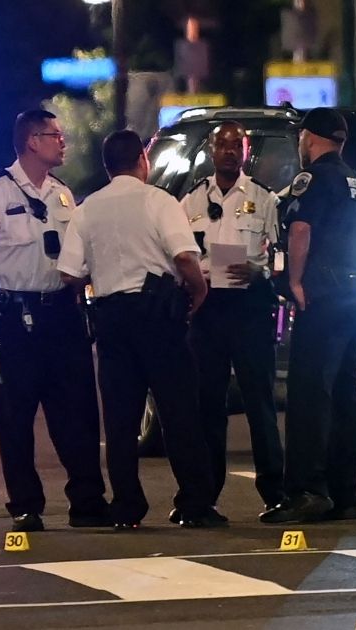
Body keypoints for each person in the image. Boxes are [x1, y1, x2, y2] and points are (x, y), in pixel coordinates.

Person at [58, 129, 223, 530]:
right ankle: (194, 504)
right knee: (180, 412)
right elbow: (185, 256)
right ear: (143, 161)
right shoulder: (159, 201)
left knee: (120, 419)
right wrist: (198, 292)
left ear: (107, 166)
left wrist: (101, 280)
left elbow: (68, 273)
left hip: (112, 319)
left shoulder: (87, 209)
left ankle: (127, 506)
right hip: (158, 319)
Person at [0, 109, 109, 533]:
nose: (62, 142)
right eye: (55, 135)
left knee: (77, 412)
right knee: (16, 416)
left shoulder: (63, 195)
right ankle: (26, 505)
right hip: (14, 315)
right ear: (32, 140)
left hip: (62, 312)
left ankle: (87, 501)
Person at [260, 107, 356, 524]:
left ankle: (306, 491)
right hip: (353, 293)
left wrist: (294, 281)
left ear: (309, 138)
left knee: (309, 395)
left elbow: (301, 228)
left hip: (323, 295)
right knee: (346, 398)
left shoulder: (315, 178)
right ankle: (346, 495)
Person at [179, 120, 284, 519]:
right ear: (210, 149)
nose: (227, 151)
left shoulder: (264, 198)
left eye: (234, 145)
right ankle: (203, 496)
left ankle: (275, 492)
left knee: (260, 403)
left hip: (249, 307)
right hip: (207, 309)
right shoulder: (190, 202)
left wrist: (263, 272)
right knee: (208, 404)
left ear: (245, 151)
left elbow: (279, 253)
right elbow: (180, 253)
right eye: (221, 144)